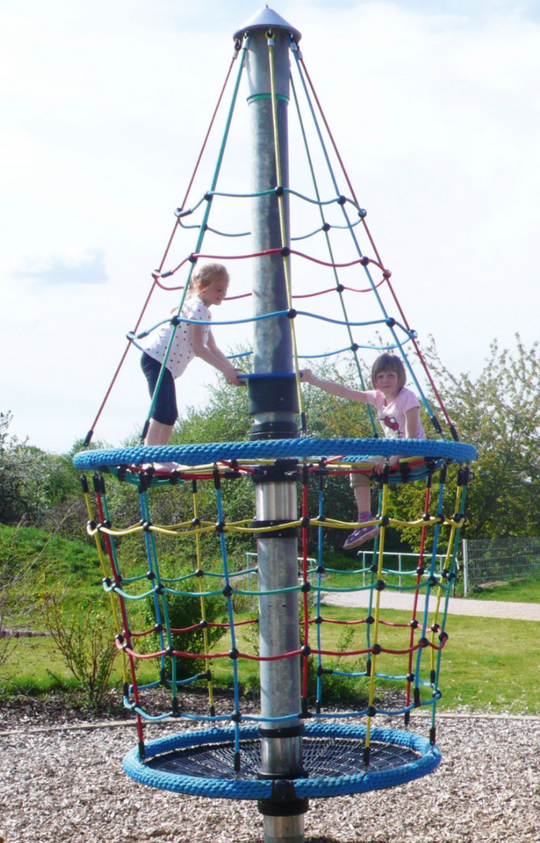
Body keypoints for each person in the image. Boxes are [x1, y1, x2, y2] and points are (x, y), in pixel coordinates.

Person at [301, 353, 426, 550]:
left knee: (368, 462)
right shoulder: (378, 397)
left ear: (400, 377)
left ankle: (365, 521)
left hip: (414, 453)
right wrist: (312, 380)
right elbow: (344, 391)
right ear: (375, 380)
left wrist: (392, 459)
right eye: (380, 376)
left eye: (390, 376)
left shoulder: (407, 397)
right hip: (392, 450)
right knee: (357, 466)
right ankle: (365, 521)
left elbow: (410, 439)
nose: (385, 381)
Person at [140, 263, 244, 458]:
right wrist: (225, 370)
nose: (223, 294)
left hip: (164, 362)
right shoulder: (197, 309)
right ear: (202, 287)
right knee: (162, 410)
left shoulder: (204, 310)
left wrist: (231, 368)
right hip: (156, 358)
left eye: (225, 290)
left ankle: (161, 457)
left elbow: (212, 347)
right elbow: (198, 348)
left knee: (171, 414)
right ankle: (150, 457)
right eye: (218, 289)